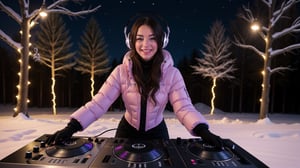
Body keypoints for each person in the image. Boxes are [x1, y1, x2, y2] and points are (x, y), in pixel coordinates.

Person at [46, 14, 223, 149]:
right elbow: (99, 103)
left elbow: (183, 107)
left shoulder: (172, 74)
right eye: (140, 38)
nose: (145, 44)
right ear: (131, 41)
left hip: (158, 132)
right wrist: (71, 127)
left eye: (152, 38)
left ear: (162, 40)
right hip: (126, 131)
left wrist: (202, 130)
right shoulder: (120, 72)